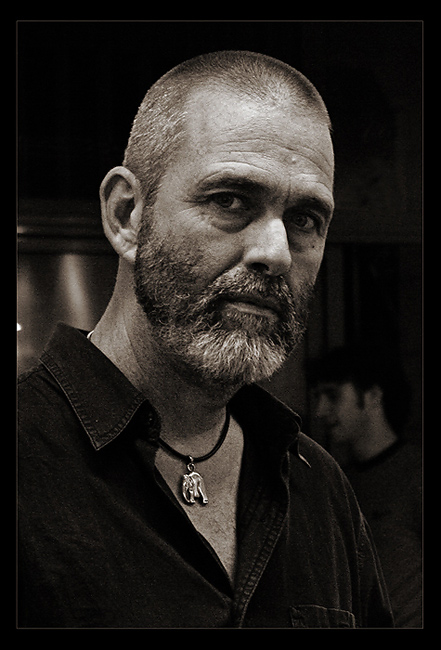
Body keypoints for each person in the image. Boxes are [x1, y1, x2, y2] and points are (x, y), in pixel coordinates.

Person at [18, 51, 393, 628]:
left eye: (305, 219)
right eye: (230, 201)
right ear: (126, 215)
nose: (275, 252)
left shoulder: (318, 487)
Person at [310, 345, 422, 627]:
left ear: (372, 396)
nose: (320, 410)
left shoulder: (415, 474)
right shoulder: (335, 482)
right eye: (317, 397)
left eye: (332, 395)